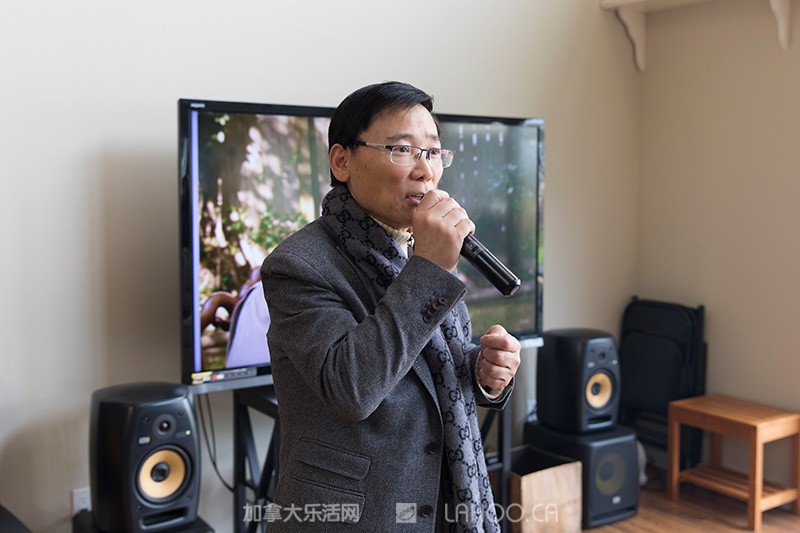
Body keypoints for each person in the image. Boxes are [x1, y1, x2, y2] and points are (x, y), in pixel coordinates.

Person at [260, 81, 521, 532]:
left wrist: (482, 371)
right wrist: (430, 269)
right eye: (402, 150)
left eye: (433, 152)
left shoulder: (419, 250)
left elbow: (428, 367)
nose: (425, 171)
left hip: (444, 506)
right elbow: (352, 388)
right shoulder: (298, 265)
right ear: (342, 161)